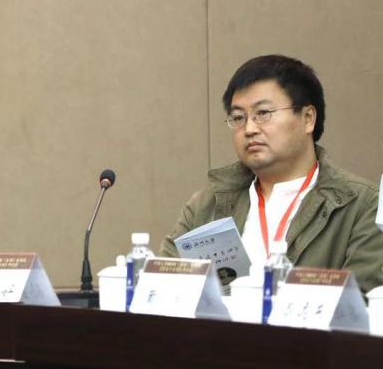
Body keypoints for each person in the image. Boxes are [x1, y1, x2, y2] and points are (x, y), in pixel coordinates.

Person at [160, 55, 383, 291]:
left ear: (308, 118)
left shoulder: (363, 204)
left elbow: (362, 296)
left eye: (263, 113)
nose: (249, 129)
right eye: (238, 118)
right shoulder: (208, 204)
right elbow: (164, 287)